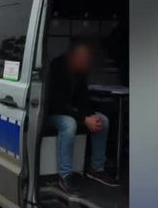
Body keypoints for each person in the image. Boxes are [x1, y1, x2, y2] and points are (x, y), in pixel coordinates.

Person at [48, 42, 117, 193]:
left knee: (103, 121)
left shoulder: (79, 71)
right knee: (69, 124)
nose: (85, 61)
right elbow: (57, 103)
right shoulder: (57, 67)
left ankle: (96, 168)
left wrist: (90, 116)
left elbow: (83, 99)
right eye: (82, 57)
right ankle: (65, 175)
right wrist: (84, 119)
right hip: (51, 113)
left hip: (71, 113)